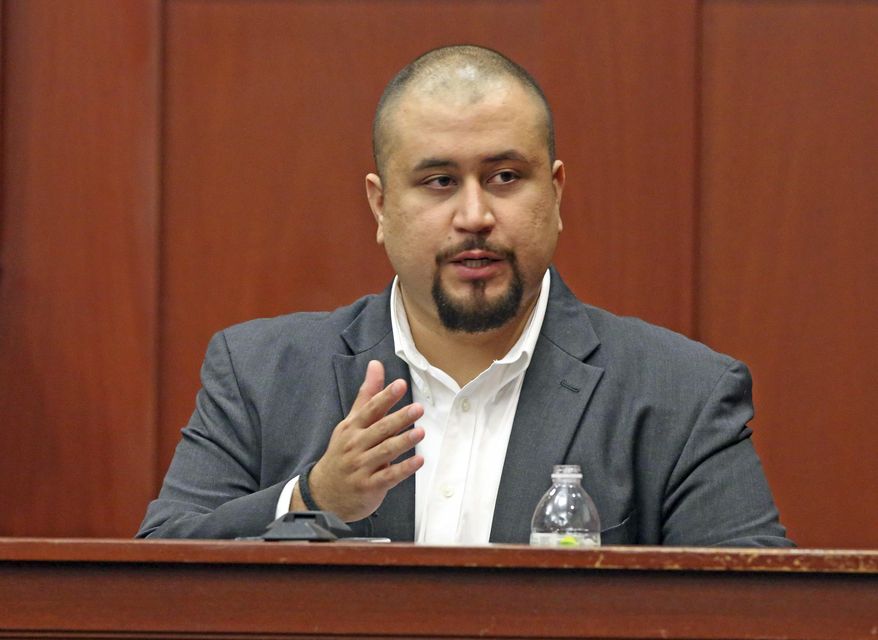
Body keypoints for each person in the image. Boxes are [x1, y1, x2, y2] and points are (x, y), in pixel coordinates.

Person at [138, 45, 792, 547]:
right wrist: (313, 497)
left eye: (505, 177)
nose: (474, 214)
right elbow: (152, 584)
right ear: (381, 204)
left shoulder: (680, 396)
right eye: (439, 181)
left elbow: (760, 625)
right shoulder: (260, 374)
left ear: (556, 194)